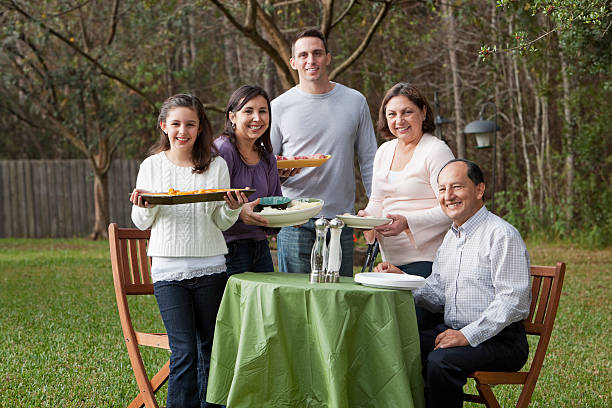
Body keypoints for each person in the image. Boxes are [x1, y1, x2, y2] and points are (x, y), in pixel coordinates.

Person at [376, 159, 531, 408]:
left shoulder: (501, 235)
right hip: (453, 331)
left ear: (479, 190)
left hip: (500, 340)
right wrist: (402, 280)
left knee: (441, 361)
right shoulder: (451, 237)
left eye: (457, 187)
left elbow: (513, 302)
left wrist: (466, 336)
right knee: (397, 345)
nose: (448, 196)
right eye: (442, 189)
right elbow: (437, 295)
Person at [130, 94, 245, 408]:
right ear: (164, 126)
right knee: (184, 350)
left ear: (200, 127)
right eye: (176, 123)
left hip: (210, 267)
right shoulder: (151, 166)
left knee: (212, 348)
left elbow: (219, 221)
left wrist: (232, 208)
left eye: (190, 124)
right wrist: (143, 205)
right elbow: (142, 223)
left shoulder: (216, 165)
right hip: (168, 272)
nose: (183, 130)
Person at [270, 28, 378, 277]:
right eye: (304, 55)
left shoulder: (355, 101)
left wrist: (373, 211)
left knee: (339, 301)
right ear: (293, 62)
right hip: (294, 219)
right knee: (296, 301)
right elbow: (268, 165)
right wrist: (281, 176)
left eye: (317, 53)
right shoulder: (278, 107)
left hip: (341, 221)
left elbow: (369, 160)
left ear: (328, 57)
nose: (311, 60)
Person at [358, 82, 454, 327]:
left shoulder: (436, 151)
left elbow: (451, 207)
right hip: (388, 260)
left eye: (407, 112)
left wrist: (408, 222)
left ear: (423, 112)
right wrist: (367, 219)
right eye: (392, 114)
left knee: (412, 330)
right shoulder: (384, 151)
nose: (399, 120)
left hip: (427, 262)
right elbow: (378, 200)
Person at [214, 85, 282, 275]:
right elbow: (210, 203)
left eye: (263, 111)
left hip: (260, 247)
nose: (257, 118)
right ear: (232, 116)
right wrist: (238, 212)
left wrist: (293, 216)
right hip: (228, 249)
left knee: (263, 305)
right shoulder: (222, 151)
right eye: (248, 111)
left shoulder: (268, 157)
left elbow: (274, 202)